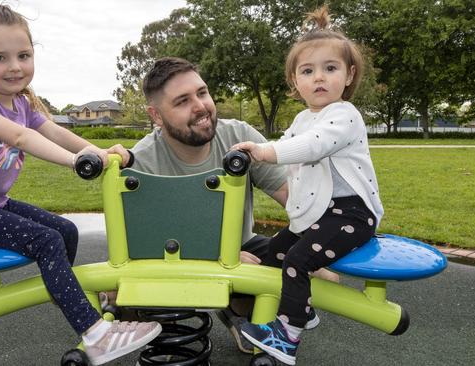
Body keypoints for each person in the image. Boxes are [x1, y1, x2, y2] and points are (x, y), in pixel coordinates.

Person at [0, 4, 160, 365]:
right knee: (45, 240)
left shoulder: (22, 103)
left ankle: (65, 295)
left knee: (65, 230)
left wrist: (98, 151)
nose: (15, 66)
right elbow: (19, 138)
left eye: (23, 55)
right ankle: (95, 333)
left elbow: (55, 132)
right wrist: (75, 163)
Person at [126, 56, 336, 354]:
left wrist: (324, 239)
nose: (200, 106)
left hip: (242, 248)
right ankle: (149, 321)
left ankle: (239, 308)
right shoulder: (143, 160)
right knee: (127, 290)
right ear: (156, 116)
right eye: (182, 101)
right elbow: (140, 244)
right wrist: (214, 258)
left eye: (202, 92)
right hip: (170, 260)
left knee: (309, 269)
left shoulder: (239, 136)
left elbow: (293, 195)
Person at [233, 6, 384, 365]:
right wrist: (253, 153)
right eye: (308, 70)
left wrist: (264, 152)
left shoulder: (344, 115)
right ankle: (302, 312)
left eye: (330, 69)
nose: (319, 77)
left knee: (298, 260)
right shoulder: (303, 117)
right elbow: (291, 143)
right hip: (319, 214)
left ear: (349, 75)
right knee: (274, 255)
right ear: (295, 82)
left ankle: (286, 338)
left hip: (351, 214)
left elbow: (312, 145)